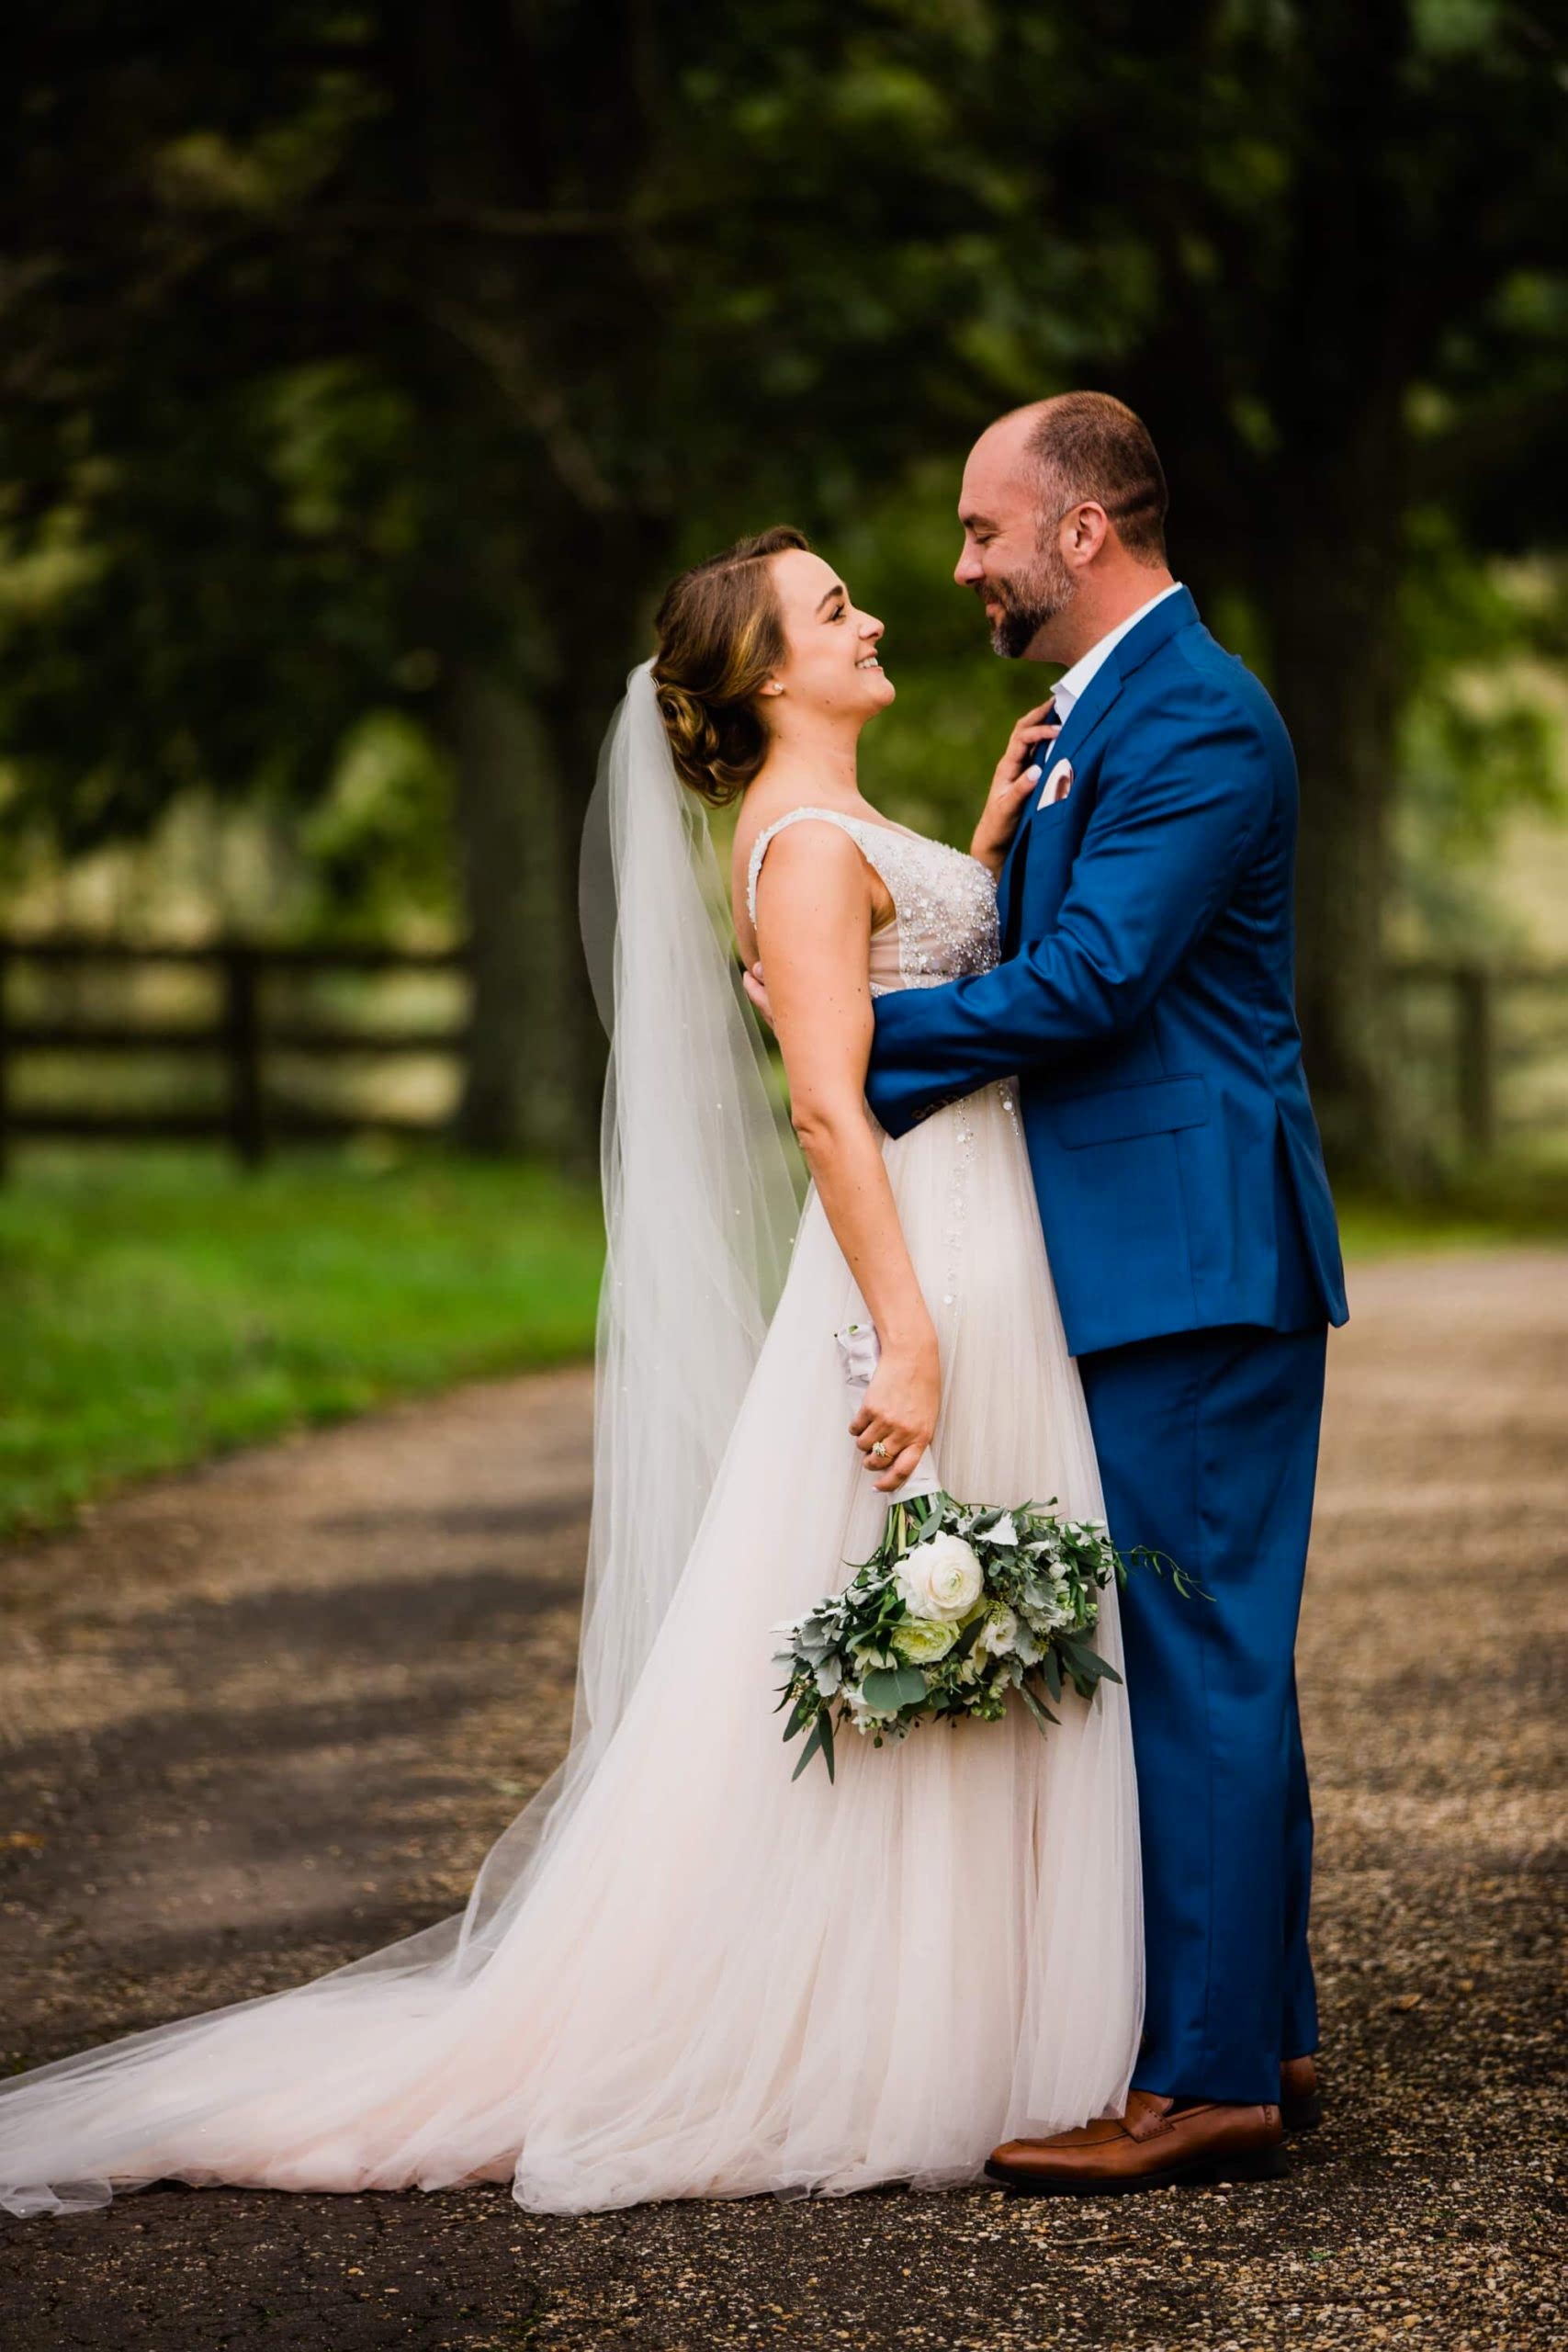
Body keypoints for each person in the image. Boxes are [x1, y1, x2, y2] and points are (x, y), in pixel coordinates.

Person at [1, 519, 1149, 2220]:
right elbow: (830, 1101)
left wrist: (975, 853)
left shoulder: (835, 834)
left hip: (973, 1234)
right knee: (919, 1610)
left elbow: (906, 997)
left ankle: (968, 2012)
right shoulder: (808, 848)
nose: (875, 613)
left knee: (950, 1614)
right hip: (930, 1260)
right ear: (768, 674)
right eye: (835, 608)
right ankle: (893, 2027)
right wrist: (905, 1330)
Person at [752, 393, 1348, 2191]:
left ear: (1079, 530)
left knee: (1201, 1651)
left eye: (981, 531)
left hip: (1191, 1248)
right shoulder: (1098, 722)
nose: (958, 568)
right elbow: (1050, 942)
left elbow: (1091, 990)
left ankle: (1205, 2080)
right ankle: (1268, 2021)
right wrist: (988, 861)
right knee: (1210, 1647)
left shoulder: (1193, 717)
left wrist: (844, 1038)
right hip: (1144, 1241)